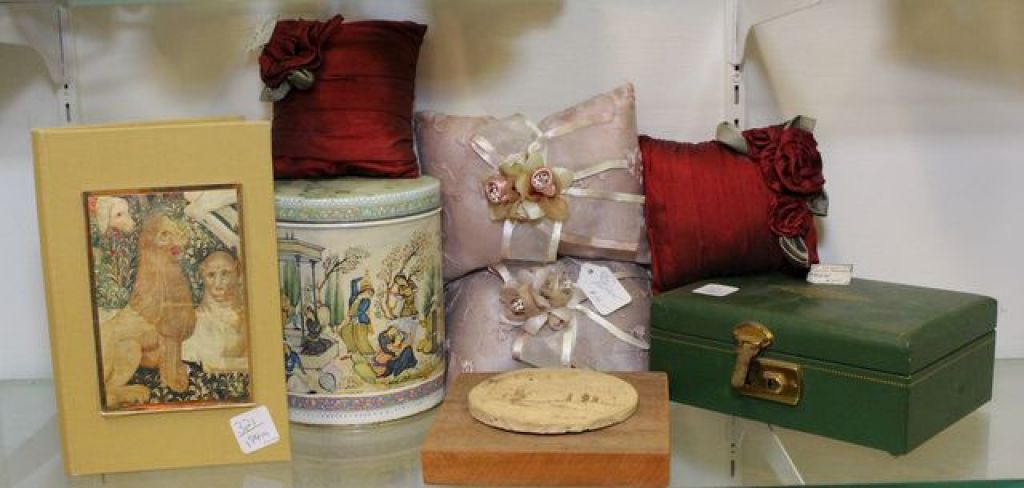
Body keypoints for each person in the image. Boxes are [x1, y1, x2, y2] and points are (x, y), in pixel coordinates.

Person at [182, 250, 249, 372]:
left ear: (237, 272)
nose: (218, 284)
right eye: (211, 275)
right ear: (202, 275)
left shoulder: (249, 317)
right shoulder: (194, 322)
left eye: (225, 274)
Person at [340, 276, 376, 355]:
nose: (369, 294)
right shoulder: (355, 296)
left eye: (371, 294)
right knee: (345, 332)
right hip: (353, 320)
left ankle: (368, 353)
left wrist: (350, 315)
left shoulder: (366, 301)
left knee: (360, 339)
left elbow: (361, 311)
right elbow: (353, 283)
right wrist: (361, 278)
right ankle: (353, 350)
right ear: (363, 290)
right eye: (368, 292)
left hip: (361, 321)